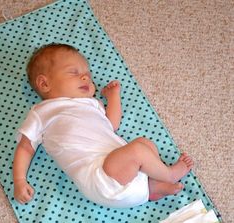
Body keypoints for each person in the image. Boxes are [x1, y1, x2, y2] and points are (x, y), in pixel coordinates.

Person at [13, 43, 193, 208]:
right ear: (44, 84)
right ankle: (169, 174)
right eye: (74, 73)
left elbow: (111, 124)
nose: (86, 77)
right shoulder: (42, 112)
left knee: (144, 143)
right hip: (99, 180)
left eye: (88, 76)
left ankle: (153, 187)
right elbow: (26, 147)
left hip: (125, 175)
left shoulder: (92, 104)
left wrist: (113, 96)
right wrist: (20, 180)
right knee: (138, 150)